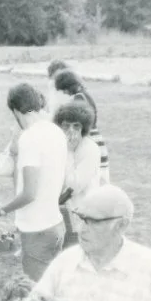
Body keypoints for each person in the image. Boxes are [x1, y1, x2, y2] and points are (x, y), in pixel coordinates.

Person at [0, 82, 68, 282]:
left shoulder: (29, 138)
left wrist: (1, 210)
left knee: (36, 295)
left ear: (16, 111)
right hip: (56, 224)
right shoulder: (57, 132)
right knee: (51, 288)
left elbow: (30, 193)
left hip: (37, 229)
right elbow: (61, 183)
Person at [54, 101, 101, 248]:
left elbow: (73, 185)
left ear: (84, 128)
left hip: (81, 216)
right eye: (66, 125)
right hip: (59, 214)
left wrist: (67, 151)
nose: (70, 130)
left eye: (76, 126)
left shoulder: (90, 149)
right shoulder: (57, 145)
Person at [53, 69, 110, 185]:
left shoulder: (78, 98)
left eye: (64, 90)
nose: (65, 93)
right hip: (96, 137)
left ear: (67, 87)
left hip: (90, 138)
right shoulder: (86, 94)